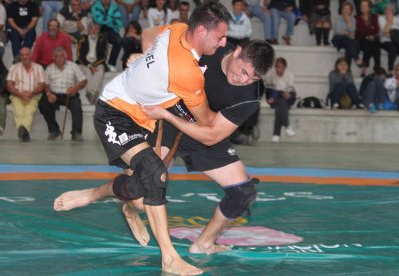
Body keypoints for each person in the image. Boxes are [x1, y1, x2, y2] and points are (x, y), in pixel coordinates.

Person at [54, 2, 231, 275]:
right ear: (200, 32)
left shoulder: (177, 28)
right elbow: (206, 120)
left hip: (145, 117)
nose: (224, 42)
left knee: (139, 196)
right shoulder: (187, 73)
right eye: (220, 36)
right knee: (155, 173)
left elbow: (148, 35)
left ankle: (103, 198)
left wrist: (143, 56)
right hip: (114, 111)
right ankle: (169, 257)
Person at [54, 39, 274, 258]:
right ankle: (96, 195)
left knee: (243, 192)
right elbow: (165, 44)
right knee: (138, 194)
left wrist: (166, 114)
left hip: (201, 133)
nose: (243, 79)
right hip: (166, 122)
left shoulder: (249, 97)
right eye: (243, 70)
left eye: (252, 77)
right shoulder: (210, 45)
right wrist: (143, 57)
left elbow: (212, 136)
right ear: (236, 53)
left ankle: (204, 243)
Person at [39, 47, 87, 141]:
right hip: (54, 93)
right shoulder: (49, 68)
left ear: (66, 57)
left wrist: (75, 88)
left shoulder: (73, 66)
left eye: (62, 56)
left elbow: (83, 80)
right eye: (57, 56)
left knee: (76, 106)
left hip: (70, 94)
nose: (60, 58)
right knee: (43, 104)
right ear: (54, 57)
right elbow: (46, 84)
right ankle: (54, 130)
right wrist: (48, 94)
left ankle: (76, 133)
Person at [6, 47, 46, 142]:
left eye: (27, 54)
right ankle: (24, 133)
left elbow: (42, 85)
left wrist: (31, 93)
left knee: (29, 111)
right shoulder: (14, 68)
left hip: (33, 95)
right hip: (17, 95)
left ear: (31, 55)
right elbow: (9, 84)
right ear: (20, 57)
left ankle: (22, 131)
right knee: (19, 112)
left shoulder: (38, 68)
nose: (25, 57)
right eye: (22, 55)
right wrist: (20, 94)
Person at [264, 57, 296, 143]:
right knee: (281, 103)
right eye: (277, 67)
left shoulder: (290, 75)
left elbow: (289, 93)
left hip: (286, 98)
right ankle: (287, 126)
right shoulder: (271, 74)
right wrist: (276, 94)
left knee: (282, 101)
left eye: (280, 67)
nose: (278, 69)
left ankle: (276, 134)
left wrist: (283, 93)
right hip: (274, 98)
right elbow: (268, 88)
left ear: (284, 68)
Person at [76, 22, 108, 104]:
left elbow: (104, 56)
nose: (93, 31)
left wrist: (94, 65)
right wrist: (90, 66)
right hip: (84, 63)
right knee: (87, 71)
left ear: (99, 30)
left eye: (96, 29)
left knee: (100, 71)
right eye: (91, 29)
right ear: (88, 30)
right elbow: (80, 56)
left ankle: (92, 92)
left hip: (98, 62)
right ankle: (91, 92)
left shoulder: (103, 39)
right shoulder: (82, 39)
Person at [91, 0, 123, 72]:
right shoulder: (95, 6)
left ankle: (111, 64)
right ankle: (100, 64)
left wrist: (105, 20)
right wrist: (111, 19)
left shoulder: (114, 7)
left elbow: (119, 22)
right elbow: (98, 20)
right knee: (103, 38)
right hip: (98, 29)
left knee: (119, 41)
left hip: (112, 30)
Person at [331, 1, 362, 68]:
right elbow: (338, 31)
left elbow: (353, 30)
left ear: (351, 11)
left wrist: (348, 20)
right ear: (342, 9)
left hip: (347, 41)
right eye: (344, 8)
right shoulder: (338, 18)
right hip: (338, 39)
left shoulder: (353, 19)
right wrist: (348, 33)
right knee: (349, 42)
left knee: (349, 46)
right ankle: (357, 58)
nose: (346, 10)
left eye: (348, 8)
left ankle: (348, 69)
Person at [355, 0, 381, 77]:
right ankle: (366, 68)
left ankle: (376, 67)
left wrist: (371, 35)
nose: (362, 7)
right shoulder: (357, 18)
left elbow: (376, 29)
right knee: (367, 46)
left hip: (373, 38)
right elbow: (360, 30)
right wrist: (369, 32)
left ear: (369, 8)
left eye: (365, 6)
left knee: (376, 47)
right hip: (361, 39)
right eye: (361, 6)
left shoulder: (374, 16)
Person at [378, 4, 399, 74]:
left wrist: (391, 33)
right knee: (393, 50)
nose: (388, 11)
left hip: (396, 40)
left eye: (390, 10)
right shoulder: (381, 18)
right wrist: (389, 21)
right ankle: (390, 70)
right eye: (386, 9)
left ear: (393, 11)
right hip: (385, 41)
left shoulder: (397, 19)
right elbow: (385, 31)